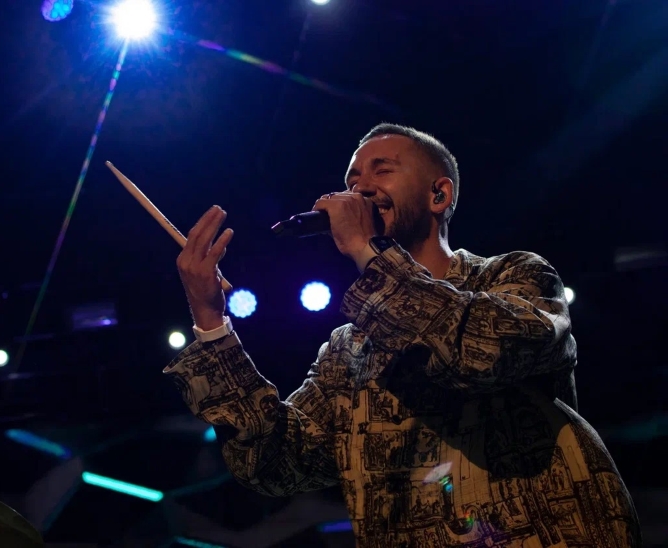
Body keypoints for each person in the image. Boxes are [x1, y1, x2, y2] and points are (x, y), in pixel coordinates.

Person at [165, 124, 641, 547]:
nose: (359, 188)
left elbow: (480, 353)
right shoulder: (348, 349)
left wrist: (365, 249)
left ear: (439, 195)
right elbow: (275, 464)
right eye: (352, 179)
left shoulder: (515, 277)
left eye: (382, 170)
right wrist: (211, 321)